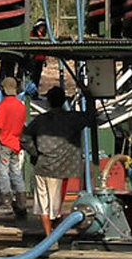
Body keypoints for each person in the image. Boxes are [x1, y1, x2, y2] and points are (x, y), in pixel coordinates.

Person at [21, 86, 92, 235]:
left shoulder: (41, 120)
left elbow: (24, 137)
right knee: (55, 208)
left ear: (48, 102)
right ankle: (54, 236)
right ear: (63, 101)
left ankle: (48, 237)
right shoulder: (72, 118)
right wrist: (89, 96)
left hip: (42, 166)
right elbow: (91, 116)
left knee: (42, 206)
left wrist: (35, 153)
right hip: (61, 169)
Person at [0, 76, 27, 217]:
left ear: (3, 89)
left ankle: (6, 204)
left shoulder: (3, 106)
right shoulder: (21, 106)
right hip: (15, 144)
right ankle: (22, 205)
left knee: (3, 174)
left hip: (3, 144)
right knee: (16, 173)